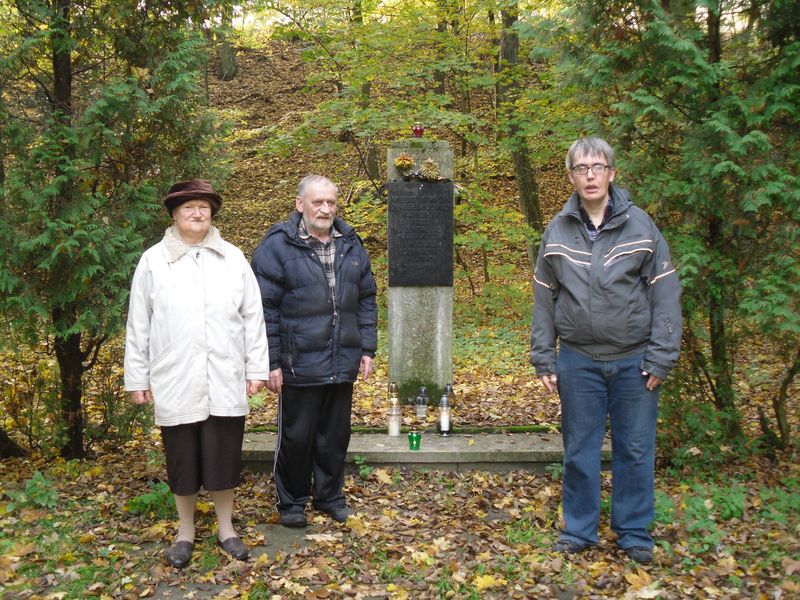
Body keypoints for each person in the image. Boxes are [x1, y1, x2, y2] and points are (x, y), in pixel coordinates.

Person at [530, 137, 681, 564]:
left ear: (612, 173)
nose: (590, 175)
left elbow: (666, 295)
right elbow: (544, 297)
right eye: (581, 168)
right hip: (578, 360)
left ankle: (633, 532)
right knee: (579, 447)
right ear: (571, 177)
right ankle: (579, 529)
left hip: (635, 361)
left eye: (597, 167)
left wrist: (662, 354)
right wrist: (544, 354)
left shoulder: (641, 227)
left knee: (634, 448)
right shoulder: (557, 231)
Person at [124, 179, 269, 568]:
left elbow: (253, 316)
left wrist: (255, 366)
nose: (197, 212)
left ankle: (226, 529)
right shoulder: (153, 260)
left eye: (203, 206)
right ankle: (185, 531)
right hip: (175, 374)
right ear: (174, 214)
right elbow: (139, 323)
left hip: (224, 371)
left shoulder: (233, 258)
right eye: (188, 207)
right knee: (182, 458)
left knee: (224, 455)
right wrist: (137, 377)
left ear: (212, 213)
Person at [251, 174, 377, 528]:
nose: (325, 209)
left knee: (335, 436)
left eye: (331, 203)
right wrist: (271, 361)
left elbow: (366, 297)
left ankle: (329, 497)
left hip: (341, 359)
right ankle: (291, 502)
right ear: (300, 204)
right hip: (298, 361)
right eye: (317, 202)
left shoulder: (351, 242)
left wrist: (366, 347)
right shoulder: (277, 246)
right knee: (297, 436)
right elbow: (263, 309)